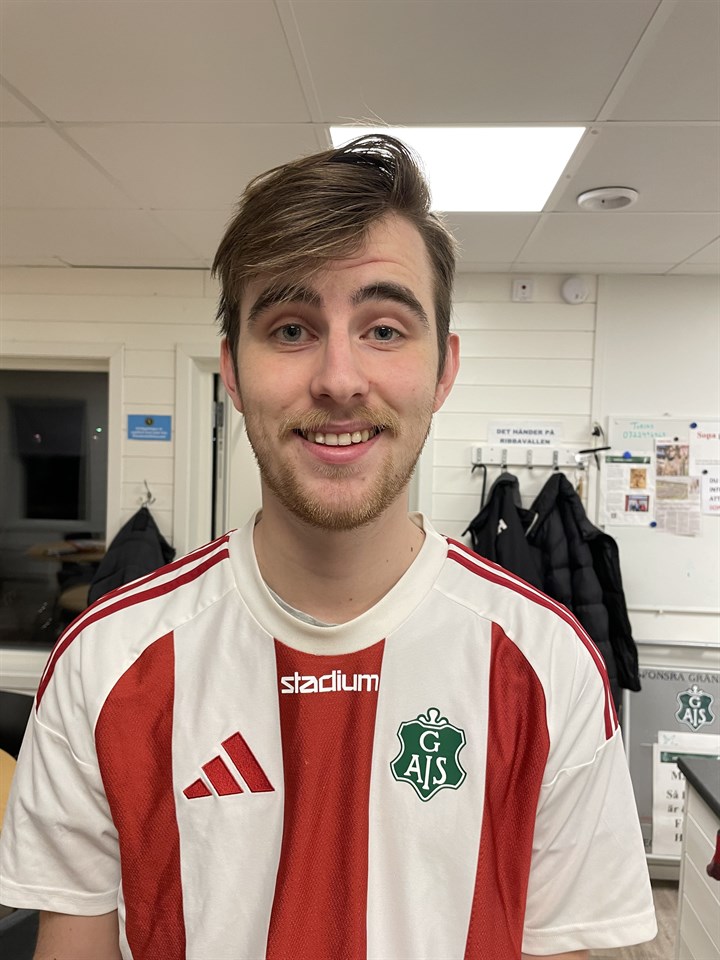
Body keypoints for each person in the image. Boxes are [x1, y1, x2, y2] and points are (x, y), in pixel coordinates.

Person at [0, 135, 656, 960]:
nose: (340, 379)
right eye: (290, 328)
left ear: (443, 371)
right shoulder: (104, 663)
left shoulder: (549, 666)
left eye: (383, 328)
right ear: (233, 372)